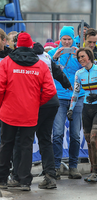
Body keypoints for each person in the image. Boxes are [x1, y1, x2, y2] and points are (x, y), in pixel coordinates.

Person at [8, 42, 73, 190]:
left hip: (38, 101)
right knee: (45, 139)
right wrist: (66, 83)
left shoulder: (25, 60)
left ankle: (19, 177)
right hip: (52, 101)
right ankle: (50, 176)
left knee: (22, 139)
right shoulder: (47, 57)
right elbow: (57, 72)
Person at [0, 32, 57, 191]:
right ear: (31, 45)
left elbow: (0, 87)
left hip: (9, 112)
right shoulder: (40, 65)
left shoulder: (6, 62)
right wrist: (36, 103)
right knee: (26, 147)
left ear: (16, 45)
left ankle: (2, 179)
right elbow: (50, 90)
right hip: (30, 113)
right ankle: (25, 181)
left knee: (6, 145)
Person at [67, 47, 97, 182]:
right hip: (86, 109)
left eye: (83, 56)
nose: (81, 59)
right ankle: (93, 171)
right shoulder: (78, 73)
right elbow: (75, 93)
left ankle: (96, 170)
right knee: (88, 142)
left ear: (89, 57)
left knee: (94, 139)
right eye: (79, 57)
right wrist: (71, 109)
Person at [48, 26, 84, 180]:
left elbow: (89, 68)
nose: (67, 42)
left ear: (73, 39)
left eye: (69, 39)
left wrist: (79, 58)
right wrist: (54, 57)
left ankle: (73, 167)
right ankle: (56, 166)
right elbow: (46, 69)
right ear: (60, 39)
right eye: (64, 39)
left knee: (75, 135)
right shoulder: (51, 53)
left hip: (77, 97)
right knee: (57, 134)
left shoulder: (79, 53)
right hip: (59, 97)